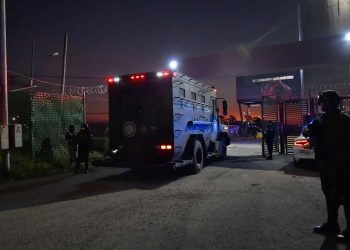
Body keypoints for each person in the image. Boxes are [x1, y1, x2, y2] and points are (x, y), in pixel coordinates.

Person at [304, 90, 350, 242]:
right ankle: (332, 224)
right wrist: (309, 132)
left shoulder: (343, 119)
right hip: (326, 165)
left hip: (341, 165)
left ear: (331, 102)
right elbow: (308, 131)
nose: (321, 103)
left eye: (324, 101)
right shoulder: (321, 119)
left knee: (344, 197)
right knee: (329, 195)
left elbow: (343, 146)